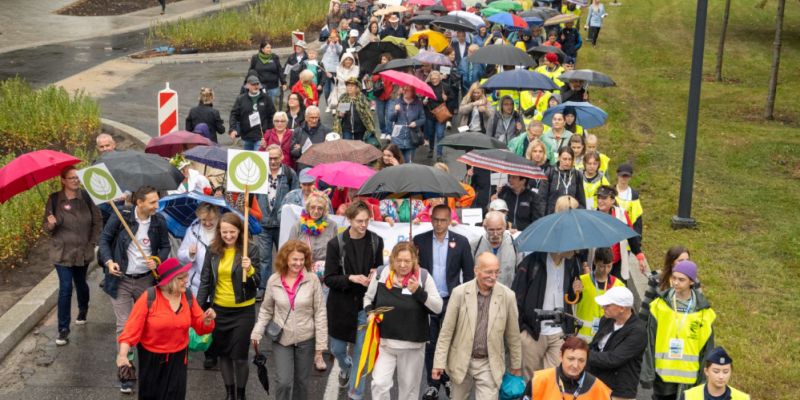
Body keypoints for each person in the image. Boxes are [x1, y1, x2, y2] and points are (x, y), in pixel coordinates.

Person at [98, 185, 171, 394]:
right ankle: (126, 372)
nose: (157, 205)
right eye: (152, 202)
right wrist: (109, 261)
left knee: (148, 325)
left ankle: (150, 369)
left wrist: (157, 260)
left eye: (157, 201)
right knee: (124, 326)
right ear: (139, 202)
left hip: (146, 281)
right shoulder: (122, 215)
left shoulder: (158, 221)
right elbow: (104, 240)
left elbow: (165, 246)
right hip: (119, 279)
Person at [116, 258, 216, 400]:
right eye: (182, 278)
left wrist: (207, 320)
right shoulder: (149, 297)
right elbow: (130, 331)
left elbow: (201, 327)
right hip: (151, 359)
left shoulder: (187, 296)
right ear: (170, 281)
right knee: (151, 396)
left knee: (175, 396)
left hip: (178, 358)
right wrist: (123, 355)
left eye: (186, 276)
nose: (186, 281)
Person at [432, 252, 522, 400]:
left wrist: (516, 365)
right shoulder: (459, 293)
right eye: (488, 272)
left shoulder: (508, 296)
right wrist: (438, 363)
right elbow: (446, 332)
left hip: (489, 363)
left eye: (496, 272)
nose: (493, 276)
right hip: (461, 361)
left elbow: (513, 335)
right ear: (476, 270)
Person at [364, 242, 443, 400]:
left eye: (407, 261)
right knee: (379, 383)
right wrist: (370, 313)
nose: (402, 265)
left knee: (408, 392)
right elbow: (368, 298)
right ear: (392, 259)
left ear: (414, 260)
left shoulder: (423, 277)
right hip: (385, 343)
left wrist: (418, 292)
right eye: (398, 260)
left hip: (412, 346)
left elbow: (438, 307)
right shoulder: (382, 273)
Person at [251, 240, 328, 399]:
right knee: (284, 382)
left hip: (306, 339)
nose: (298, 263)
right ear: (285, 259)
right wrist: (257, 332)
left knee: (301, 383)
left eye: (301, 259)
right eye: (294, 259)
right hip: (282, 339)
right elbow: (266, 310)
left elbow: (320, 312)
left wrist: (320, 344)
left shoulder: (312, 280)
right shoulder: (273, 280)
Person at [324, 200, 385, 399]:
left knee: (362, 355)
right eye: (359, 221)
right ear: (349, 219)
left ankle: (355, 394)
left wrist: (376, 273)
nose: (364, 225)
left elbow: (381, 270)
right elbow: (329, 278)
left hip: (364, 307)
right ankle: (345, 366)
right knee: (337, 349)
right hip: (340, 307)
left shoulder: (376, 241)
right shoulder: (336, 244)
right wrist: (350, 278)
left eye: (367, 221)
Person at [413, 204, 475, 399]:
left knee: (449, 342)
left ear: (450, 221)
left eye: (443, 220)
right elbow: (414, 269)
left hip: (452, 299)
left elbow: (469, 273)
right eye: (436, 219)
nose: (439, 224)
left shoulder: (462, 242)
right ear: (431, 220)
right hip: (428, 300)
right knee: (430, 343)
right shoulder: (419, 241)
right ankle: (432, 384)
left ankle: (447, 378)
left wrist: (466, 299)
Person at [197, 212, 261, 400]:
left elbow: (258, 283)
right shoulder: (213, 250)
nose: (228, 236)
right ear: (219, 232)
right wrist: (198, 310)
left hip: (243, 310)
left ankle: (241, 395)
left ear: (240, 231)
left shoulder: (251, 250)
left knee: (240, 356)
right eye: (224, 232)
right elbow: (205, 281)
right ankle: (229, 393)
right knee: (223, 354)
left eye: (232, 232)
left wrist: (249, 270)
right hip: (219, 310)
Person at [44, 166, 102, 346]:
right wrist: (51, 224)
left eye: (77, 177)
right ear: (63, 180)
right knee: (65, 288)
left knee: (81, 283)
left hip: (82, 251)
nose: (76, 181)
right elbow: (46, 228)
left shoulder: (86, 197)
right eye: (71, 178)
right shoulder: (54, 200)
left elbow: (97, 220)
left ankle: (83, 309)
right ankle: (63, 329)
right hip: (62, 253)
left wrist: (92, 242)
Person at [641, 261, 716, 400]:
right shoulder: (659, 306)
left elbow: (708, 350)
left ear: (692, 282)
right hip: (663, 379)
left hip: (689, 380)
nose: (675, 282)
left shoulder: (704, 313)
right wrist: (647, 373)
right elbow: (649, 341)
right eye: (673, 278)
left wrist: (704, 380)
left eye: (681, 279)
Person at [512, 249, 582, 379]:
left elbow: (571, 297)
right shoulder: (532, 262)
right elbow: (516, 296)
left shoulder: (572, 263)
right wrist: (521, 329)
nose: (576, 250)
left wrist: (576, 290)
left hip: (558, 333)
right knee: (529, 380)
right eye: (573, 245)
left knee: (553, 379)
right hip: (532, 332)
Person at [583, 285, 647, 400]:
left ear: (622, 308)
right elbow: (595, 346)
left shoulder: (638, 331)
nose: (603, 307)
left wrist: (583, 354)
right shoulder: (606, 320)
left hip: (619, 392)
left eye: (608, 305)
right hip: (597, 384)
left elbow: (613, 359)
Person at [255, 145, 300, 301]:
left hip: (283, 223)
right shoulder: (259, 173)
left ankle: (286, 286)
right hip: (263, 223)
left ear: (282, 157)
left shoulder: (289, 174)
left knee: (284, 256)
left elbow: (296, 196)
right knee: (264, 258)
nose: (272, 161)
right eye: (269, 158)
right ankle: (263, 287)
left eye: (275, 158)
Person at [526, 336, 612, 399]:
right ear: (561, 356)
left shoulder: (599, 389)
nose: (575, 365)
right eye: (571, 359)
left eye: (581, 360)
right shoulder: (538, 380)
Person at [594, 185, 647, 282]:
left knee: (619, 292)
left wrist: (639, 256)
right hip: (598, 265)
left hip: (617, 263)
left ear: (613, 200)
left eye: (604, 198)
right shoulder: (592, 216)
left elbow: (630, 236)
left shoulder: (621, 214)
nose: (600, 201)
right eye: (598, 197)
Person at [574, 247, 625, 341]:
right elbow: (571, 302)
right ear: (595, 262)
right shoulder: (582, 281)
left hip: (605, 338)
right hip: (581, 336)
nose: (605, 270)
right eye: (602, 266)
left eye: (609, 266)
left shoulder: (618, 285)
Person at [288, 191, 339, 280]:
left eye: (320, 208)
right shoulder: (298, 225)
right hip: (302, 271)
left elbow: (336, 252)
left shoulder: (332, 226)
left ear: (324, 210)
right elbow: (289, 250)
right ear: (307, 208)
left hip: (324, 274)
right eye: (312, 207)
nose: (316, 211)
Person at [640, 246, 691, 321]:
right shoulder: (656, 279)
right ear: (671, 262)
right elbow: (645, 308)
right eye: (680, 261)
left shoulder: (692, 281)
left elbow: (700, 307)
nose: (685, 264)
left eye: (687, 260)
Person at [470, 211, 520, 287]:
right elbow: (469, 273)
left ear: (505, 227)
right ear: (485, 227)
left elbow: (520, 274)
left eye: (499, 229)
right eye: (491, 230)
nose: (495, 234)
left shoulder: (515, 245)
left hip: (506, 295)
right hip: (481, 294)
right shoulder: (475, 245)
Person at [680, 347, 751, 400]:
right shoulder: (688, 397)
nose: (721, 376)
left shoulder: (743, 398)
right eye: (716, 371)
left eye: (725, 372)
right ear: (706, 371)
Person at [229, 75, 277, 151]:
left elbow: (273, 115)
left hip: (261, 137)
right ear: (247, 86)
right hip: (246, 136)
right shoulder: (241, 99)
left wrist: (269, 132)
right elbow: (234, 115)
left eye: (257, 84)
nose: (256, 86)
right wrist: (232, 129)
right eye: (253, 84)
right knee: (247, 160)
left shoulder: (266, 98)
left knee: (257, 158)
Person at [542, 147, 586, 214]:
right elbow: (542, 199)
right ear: (559, 158)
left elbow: (581, 201)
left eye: (570, 159)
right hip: (553, 215)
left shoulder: (577, 175)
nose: (567, 162)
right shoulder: (550, 173)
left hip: (571, 215)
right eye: (564, 159)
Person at [388, 85, 426, 163]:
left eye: (407, 90)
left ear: (413, 92)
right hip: (397, 138)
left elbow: (423, 119)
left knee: (408, 164)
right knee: (397, 163)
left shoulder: (418, 104)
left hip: (411, 139)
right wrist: (395, 111)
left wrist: (416, 123)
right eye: (403, 89)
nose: (404, 91)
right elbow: (390, 118)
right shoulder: (396, 102)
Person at [334, 77, 377, 143]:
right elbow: (339, 116)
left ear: (357, 88)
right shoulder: (344, 98)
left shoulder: (361, 98)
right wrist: (341, 114)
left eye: (352, 86)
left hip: (360, 129)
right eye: (348, 86)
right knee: (347, 146)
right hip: (347, 128)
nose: (349, 88)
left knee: (359, 147)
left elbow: (367, 114)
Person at [423, 71, 453, 162]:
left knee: (440, 134)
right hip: (430, 113)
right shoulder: (427, 86)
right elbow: (421, 98)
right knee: (431, 133)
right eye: (432, 78)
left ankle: (439, 154)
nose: (434, 80)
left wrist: (446, 98)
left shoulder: (445, 86)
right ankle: (431, 149)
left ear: (440, 78)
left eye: (436, 78)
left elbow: (452, 96)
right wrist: (424, 101)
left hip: (441, 114)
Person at [247, 41, 286, 107]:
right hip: (260, 86)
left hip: (273, 86)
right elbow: (251, 71)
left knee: (272, 106)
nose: (269, 49)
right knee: (261, 105)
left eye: (270, 47)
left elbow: (279, 70)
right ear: (262, 49)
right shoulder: (255, 58)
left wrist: (283, 82)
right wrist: (249, 83)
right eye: (267, 48)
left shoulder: (274, 57)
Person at [615, 163, 643, 236]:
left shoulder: (633, 195)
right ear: (617, 175)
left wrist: (637, 240)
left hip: (627, 231)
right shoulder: (610, 192)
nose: (624, 178)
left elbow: (637, 220)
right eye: (622, 175)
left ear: (630, 177)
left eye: (626, 176)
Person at [372, 53, 395, 140]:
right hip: (380, 96)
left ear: (389, 60)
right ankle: (383, 131)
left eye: (385, 59)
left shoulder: (393, 70)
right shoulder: (378, 68)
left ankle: (389, 132)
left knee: (389, 114)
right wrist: (380, 75)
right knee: (380, 115)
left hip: (390, 96)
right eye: (382, 59)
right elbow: (373, 78)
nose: (383, 61)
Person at [320, 34, 343, 112]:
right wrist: (327, 42)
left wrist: (336, 42)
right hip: (325, 70)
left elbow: (339, 51)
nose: (332, 38)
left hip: (334, 70)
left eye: (334, 37)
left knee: (333, 89)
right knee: (326, 91)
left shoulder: (339, 46)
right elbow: (321, 50)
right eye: (331, 37)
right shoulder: (327, 45)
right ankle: (328, 105)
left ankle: (334, 105)